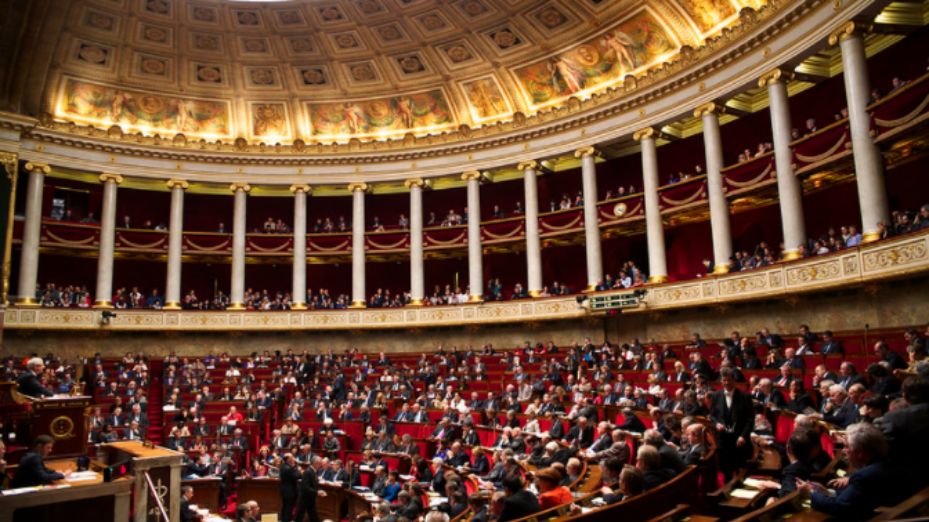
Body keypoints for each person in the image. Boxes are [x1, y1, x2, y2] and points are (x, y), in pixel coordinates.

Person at [797, 422, 912, 521]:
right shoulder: (891, 463)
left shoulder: (865, 476)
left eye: (847, 447)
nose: (844, 452)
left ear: (859, 452)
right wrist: (827, 492)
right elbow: (854, 497)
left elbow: (839, 507)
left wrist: (811, 492)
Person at [709, 367, 755, 481]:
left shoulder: (745, 396)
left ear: (734, 380)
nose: (727, 383)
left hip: (739, 437)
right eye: (724, 380)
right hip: (723, 438)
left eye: (729, 380)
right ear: (721, 381)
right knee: (726, 469)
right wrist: (717, 424)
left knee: (740, 468)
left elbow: (750, 419)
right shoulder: (716, 396)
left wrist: (743, 436)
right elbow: (713, 416)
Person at [294, 456, 327, 522]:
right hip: (304, 499)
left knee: (314, 516)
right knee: (299, 517)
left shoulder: (314, 471)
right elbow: (305, 487)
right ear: (315, 463)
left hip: (310, 498)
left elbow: (314, 485)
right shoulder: (308, 472)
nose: (320, 466)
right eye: (319, 464)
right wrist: (317, 492)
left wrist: (320, 490)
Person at [280, 453, 301, 522]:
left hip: (284, 491)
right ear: (288, 459)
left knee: (285, 507)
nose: (293, 459)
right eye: (292, 458)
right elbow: (296, 476)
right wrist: (298, 470)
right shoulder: (288, 468)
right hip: (289, 492)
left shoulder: (283, 466)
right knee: (288, 509)